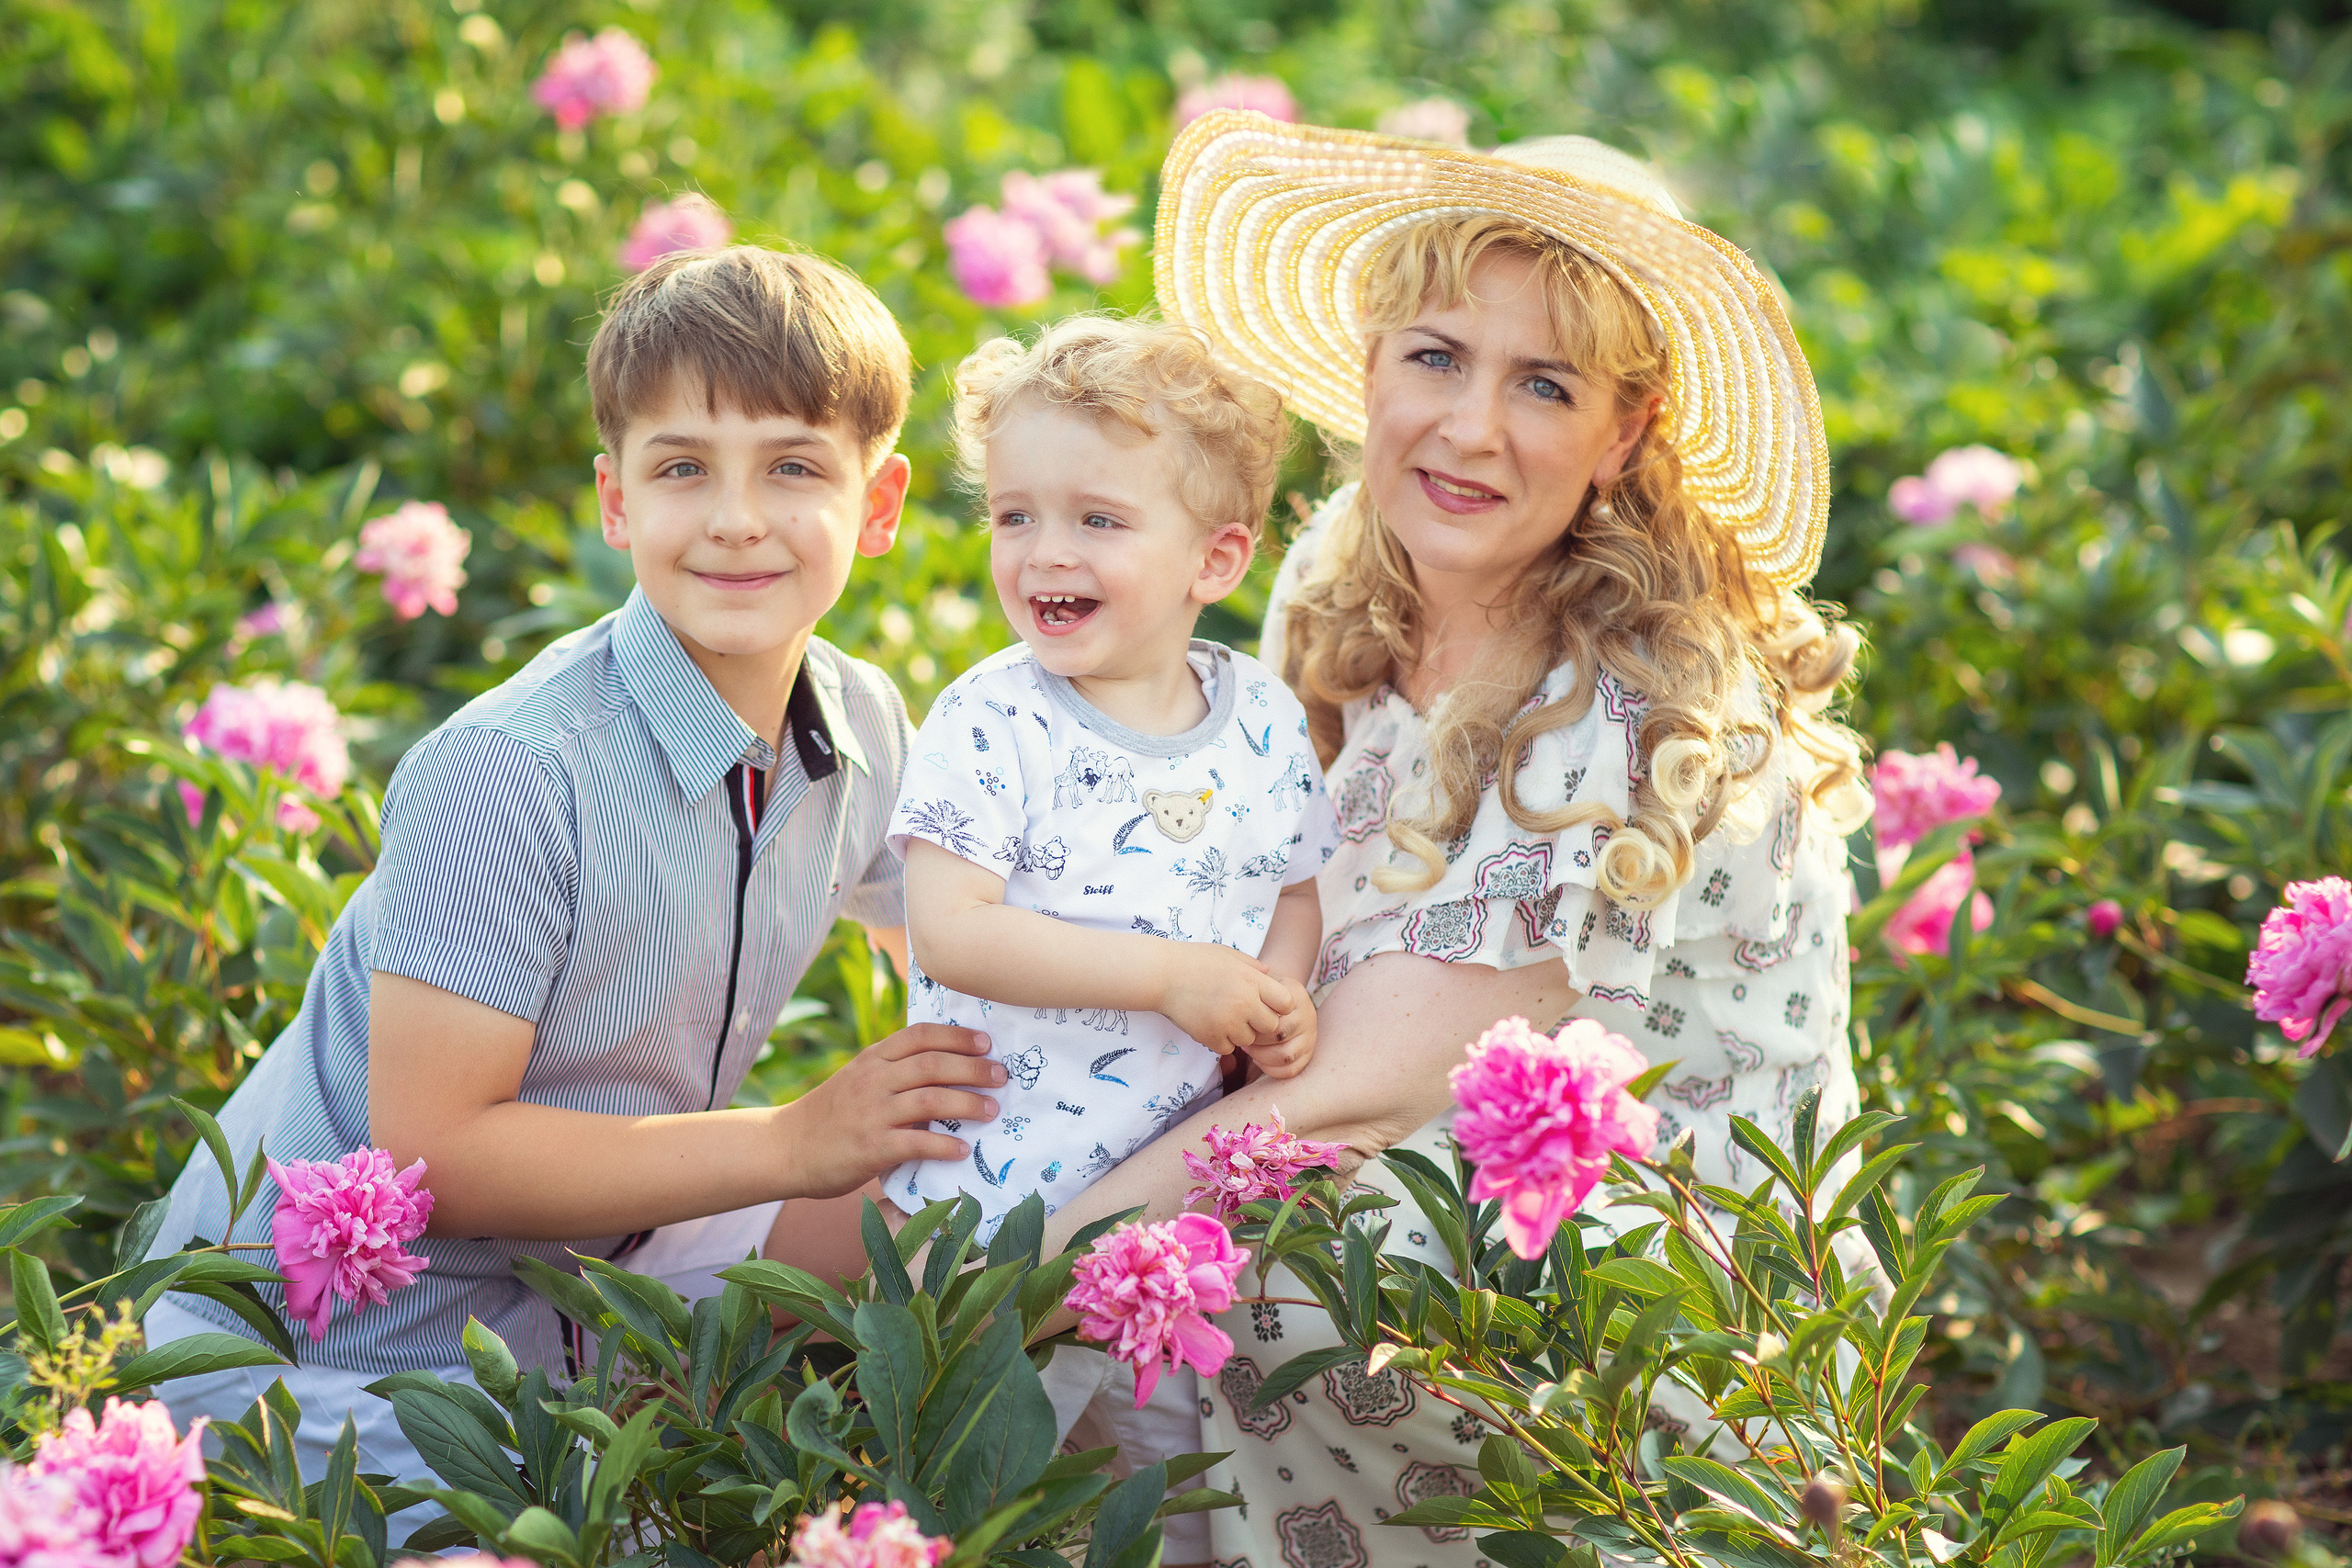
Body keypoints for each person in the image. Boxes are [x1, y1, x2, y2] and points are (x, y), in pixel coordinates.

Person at [1035, 116, 1875, 1566]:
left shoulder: (1647, 712)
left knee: (1261, 1276)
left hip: (1651, 1275)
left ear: (1626, 433)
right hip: (1380, 1114)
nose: (1471, 427)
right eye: (1435, 356)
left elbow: (1358, 1089)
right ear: (1369, 369)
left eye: (1543, 384)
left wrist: (997, 1280)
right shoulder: (1343, 584)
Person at [141, 244, 1008, 1487]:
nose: (735, 519)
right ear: (615, 502)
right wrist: (795, 1139)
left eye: (795, 467)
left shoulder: (860, 721)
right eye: (681, 469)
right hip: (343, 1352)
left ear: (879, 507)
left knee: (985, 1220)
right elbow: (441, 1164)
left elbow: (955, 927)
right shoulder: (510, 768)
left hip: (597, 1258)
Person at [779, 317, 1339, 1565]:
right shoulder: (996, 718)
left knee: (1152, 1505)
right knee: (982, 1500)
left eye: (1096, 520)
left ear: (1219, 556)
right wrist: (1174, 977)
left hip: (1171, 1215)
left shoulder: (1258, 717)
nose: (1044, 554)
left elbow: (1296, 885)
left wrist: (1276, 994)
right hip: (992, 1215)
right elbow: (955, 930)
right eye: (1014, 517)